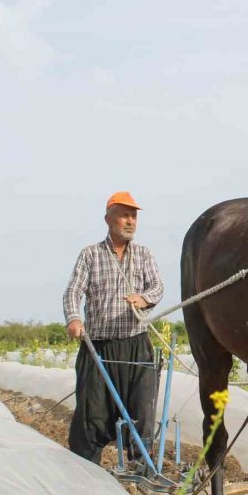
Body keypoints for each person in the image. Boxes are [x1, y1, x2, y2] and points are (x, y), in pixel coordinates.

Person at [63, 191, 164, 465]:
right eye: (124, 215)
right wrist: (74, 319)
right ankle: (85, 471)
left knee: (142, 414)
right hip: (99, 348)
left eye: (134, 216)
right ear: (108, 219)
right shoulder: (91, 254)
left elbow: (157, 287)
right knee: (92, 416)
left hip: (136, 346)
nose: (130, 221)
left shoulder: (144, 254)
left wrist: (143, 298)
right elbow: (73, 291)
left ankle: (142, 471)